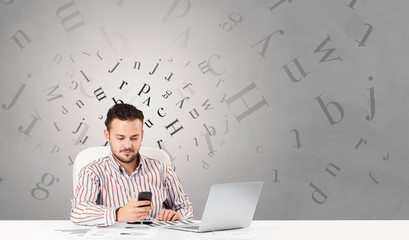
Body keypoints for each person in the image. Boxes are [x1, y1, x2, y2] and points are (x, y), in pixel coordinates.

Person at [70, 103, 194, 226]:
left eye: (134, 138)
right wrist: (118, 214)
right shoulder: (92, 172)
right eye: (120, 138)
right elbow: (78, 212)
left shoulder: (162, 170)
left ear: (142, 136)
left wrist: (178, 217)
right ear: (107, 135)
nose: (128, 145)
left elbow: (185, 208)